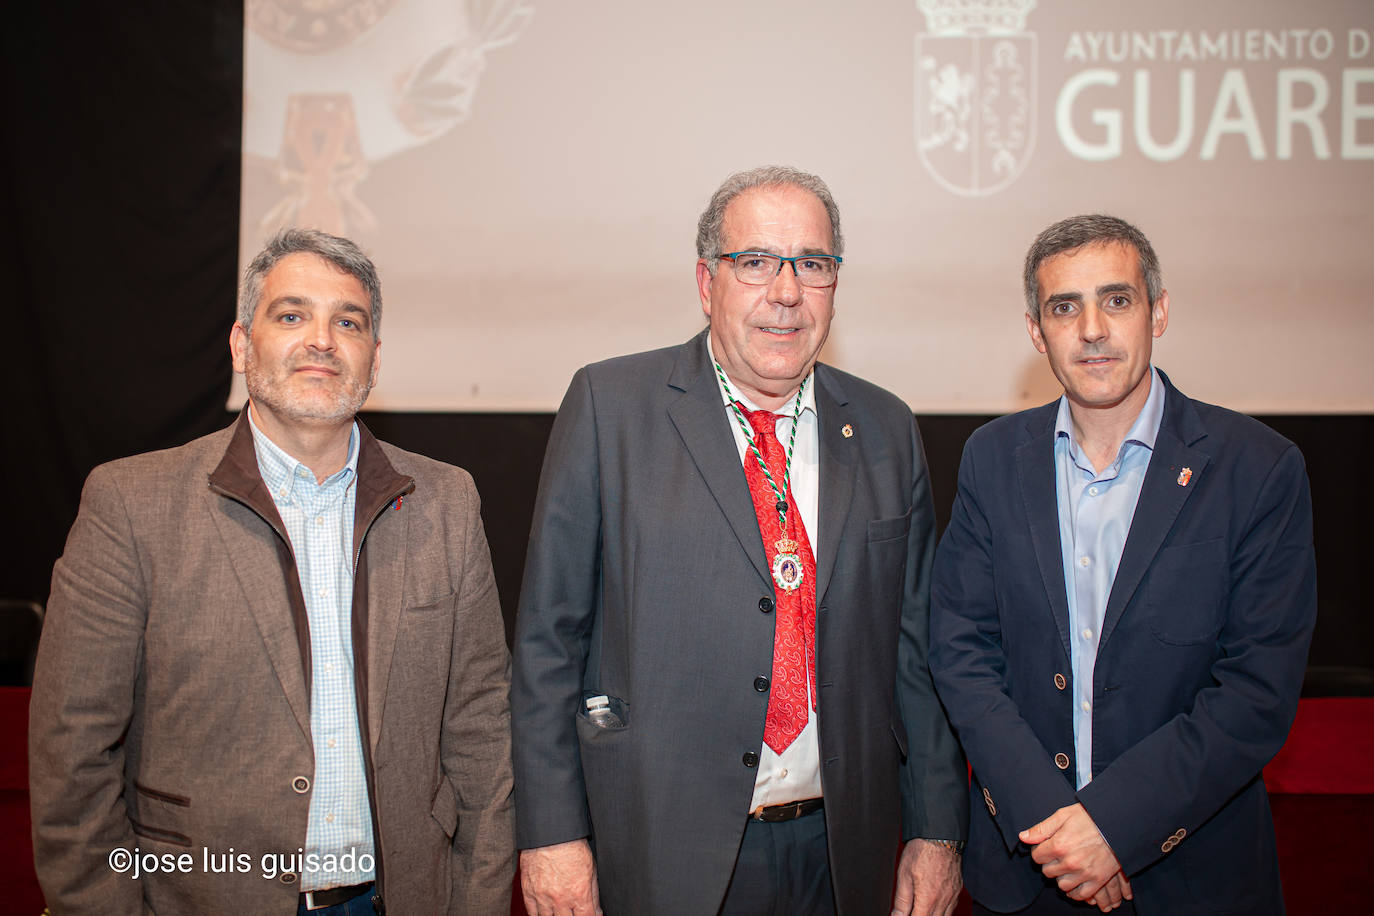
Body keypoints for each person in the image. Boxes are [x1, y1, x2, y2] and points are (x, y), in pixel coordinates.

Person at [511, 166, 968, 916]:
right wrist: (552, 835)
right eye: (755, 261)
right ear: (706, 282)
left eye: (811, 264)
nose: (786, 291)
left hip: (842, 855)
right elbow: (547, 644)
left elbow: (916, 657)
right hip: (664, 851)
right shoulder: (610, 407)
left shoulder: (886, 428)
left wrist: (936, 830)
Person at [29, 228, 515, 915]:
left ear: (374, 359)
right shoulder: (131, 505)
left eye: (348, 323)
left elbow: (482, 732)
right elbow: (72, 752)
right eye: (291, 315)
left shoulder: (447, 503)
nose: (322, 340)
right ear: (240, 345)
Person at [928, 215, 1317, 915]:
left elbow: (1256, 691)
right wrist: (1058, 829)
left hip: (1192, 875)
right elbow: (960, 651)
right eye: (1064, 308)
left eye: (1116, 300)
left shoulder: (1258, 468)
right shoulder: (992, 458)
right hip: (1028, 868)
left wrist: (1113, 827)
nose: (1092, 330)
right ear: (1036, 331)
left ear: (1158, 312)